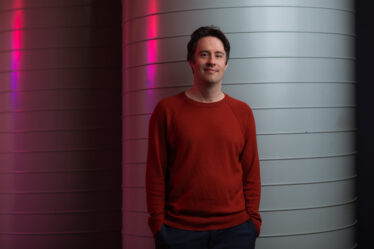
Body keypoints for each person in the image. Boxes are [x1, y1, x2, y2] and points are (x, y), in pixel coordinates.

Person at [146, 26, 261, 249]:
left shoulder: (242, 112)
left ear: (226, 64)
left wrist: (252, 223)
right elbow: (155, 173)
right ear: (191, 61)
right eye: (204, 54)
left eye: (218, 55)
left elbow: (251, 172)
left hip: (235, 232)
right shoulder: (167, 111)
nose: (211, 61)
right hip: (178, 232)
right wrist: (158, 225)